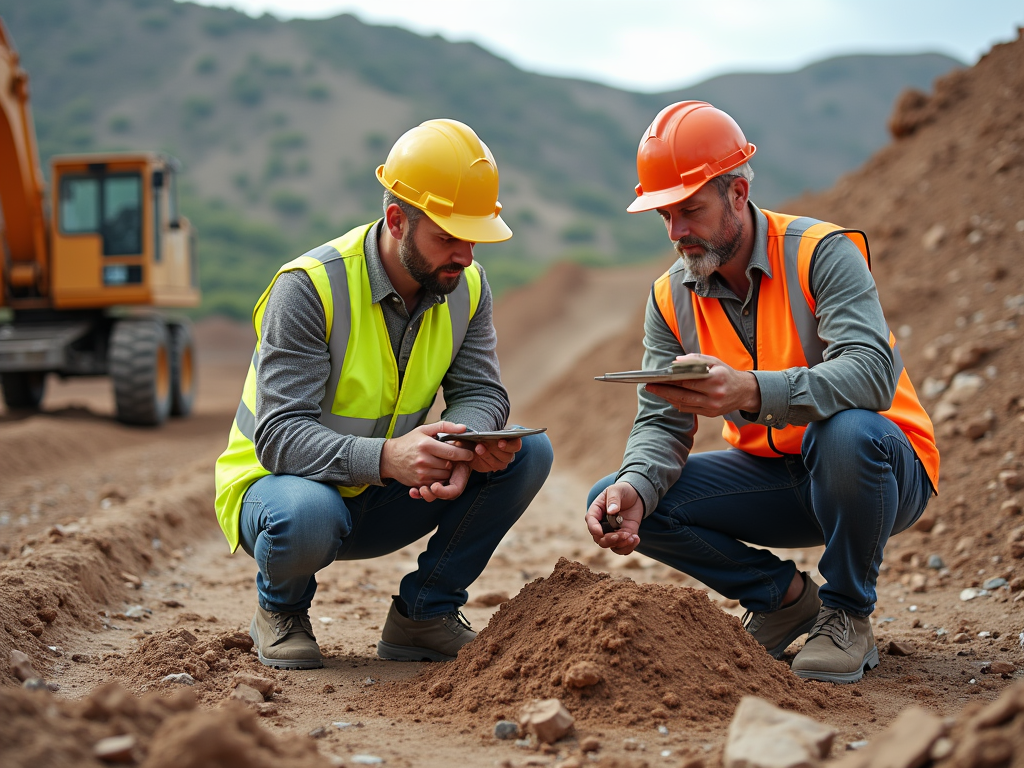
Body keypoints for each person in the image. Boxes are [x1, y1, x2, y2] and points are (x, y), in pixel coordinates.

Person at [586, 101, 938, 684]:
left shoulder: (821, 252)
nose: (677, 233)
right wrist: (633, 485)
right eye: (665, 216)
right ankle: (782, 599)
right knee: (629, 495)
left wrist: (750, 390)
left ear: (738, 192)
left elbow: (873, 373)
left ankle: (847, 614)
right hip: (779, 479)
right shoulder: (670, 297)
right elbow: (659, 423)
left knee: (846, 430)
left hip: (879, 471)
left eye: (690, 211)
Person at [215, 119, 553, 670]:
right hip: (286, 494)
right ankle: (280, 610)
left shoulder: (467, 284)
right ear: (397, 220)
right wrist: (389, 459)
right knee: (306, 514)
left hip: (388, 494)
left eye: (473, 237)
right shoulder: (308, 287)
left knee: (528, 454)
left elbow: (481, 390)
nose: (465, 255)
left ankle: (424, 617)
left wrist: (464, 443)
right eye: (448, 237)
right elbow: (278, 438)